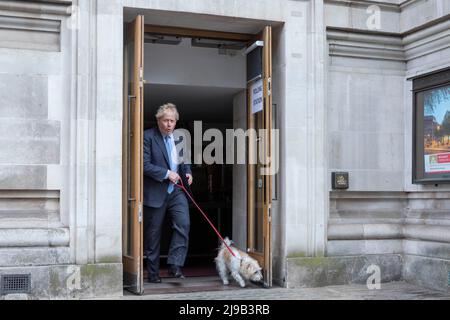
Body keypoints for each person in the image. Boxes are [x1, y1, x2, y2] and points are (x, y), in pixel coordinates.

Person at [143, 103, 193, 283]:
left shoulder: (179, 138)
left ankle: (175, 265)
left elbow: (184, 161)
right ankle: (153, 274)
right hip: (155, 192)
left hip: (177, 191)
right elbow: (144, 165)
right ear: (158, 120)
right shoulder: (147, 137)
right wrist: (166, 173)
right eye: (165, 120)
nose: (169, 124)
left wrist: (187, 172)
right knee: (153, 235)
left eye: (172, 121)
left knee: (184, 224)